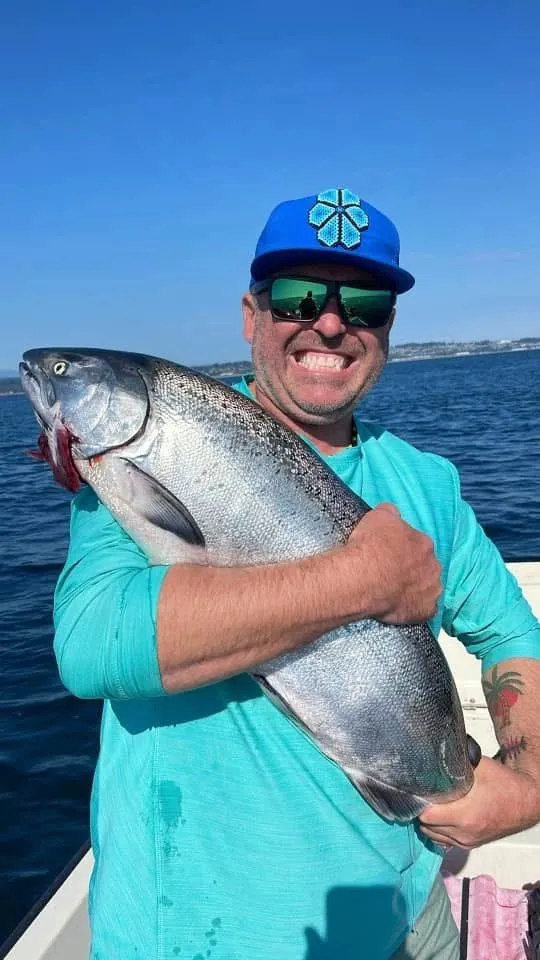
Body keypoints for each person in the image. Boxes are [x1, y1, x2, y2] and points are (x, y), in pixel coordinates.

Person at [53, 187, 540, 960]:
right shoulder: (141, 459)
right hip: (199, 937)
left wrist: (525, 783)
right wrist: (361, 583)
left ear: (387, 329)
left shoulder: (429, 482)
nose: (330, 322)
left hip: (406, 909)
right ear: (252, 316)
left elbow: (513, 631)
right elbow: (92, 645)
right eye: (296, 296)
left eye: (366, 303)